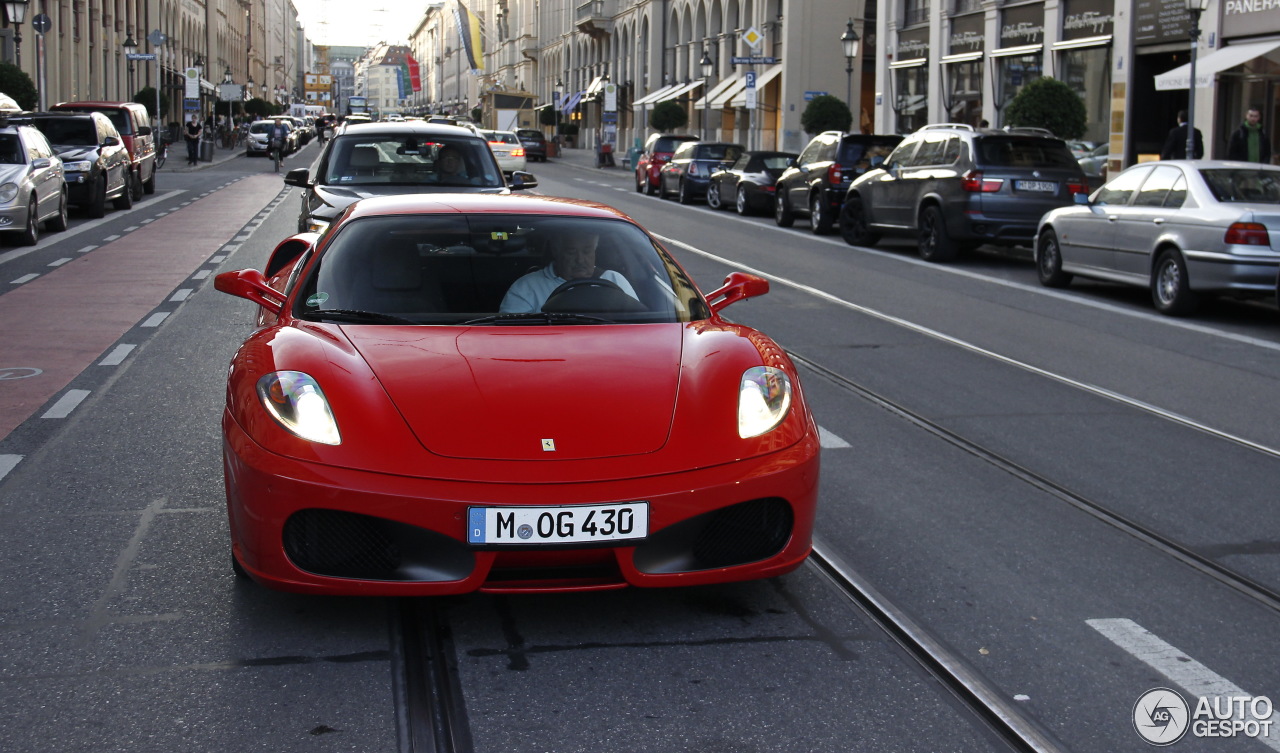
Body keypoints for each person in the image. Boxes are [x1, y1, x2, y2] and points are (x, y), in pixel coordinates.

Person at [499, 231, 639, 313]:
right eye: (572, 252)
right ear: (556, 251)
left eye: (587, 251)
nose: (580, 260)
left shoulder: (614, 280)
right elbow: (510, 336)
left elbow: (638, 321)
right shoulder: (527, 288)